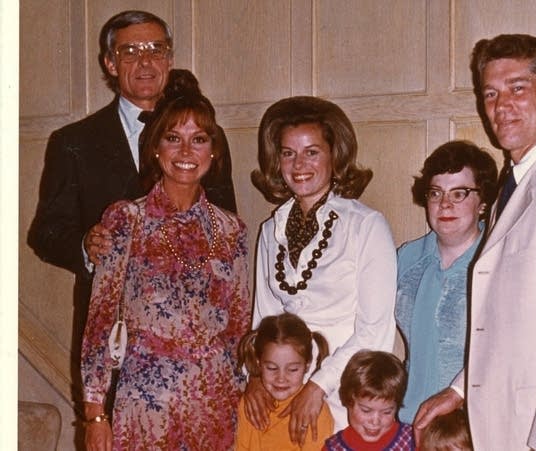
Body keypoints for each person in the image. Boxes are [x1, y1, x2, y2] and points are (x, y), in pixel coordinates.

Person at [27, 10, 237, 398]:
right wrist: (85, 245)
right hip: (114, 334)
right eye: (130, 51)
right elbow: (45, 231)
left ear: (169, 60)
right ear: (110, 63)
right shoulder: (73, 141)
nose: (145, 61)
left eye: (155, 49)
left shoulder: (209, 136)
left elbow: (225, 221)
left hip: (194, 336)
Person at [414, 34, 536, 450]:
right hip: (501, 421)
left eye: (517, 89)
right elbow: (505, 322)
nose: (501, 106)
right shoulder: (516, 184)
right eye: (490, 93)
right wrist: (459, 390)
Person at [80, 70, 250, 450]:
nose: (186, 152)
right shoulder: (126, 219)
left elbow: (238, 330)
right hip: (146, 403)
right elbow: (100, 323)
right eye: (174, 138)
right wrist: (95, 414)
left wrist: (243, 393)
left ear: (213, 151)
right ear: (156, 147)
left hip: (215, 402)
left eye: (199, 140)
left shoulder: (232, 230)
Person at [247, 96, 397, 444]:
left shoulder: (366, 226)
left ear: (335, 156)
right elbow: (263, 320)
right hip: (283, 392)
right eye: (288, 153)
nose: (299, 164)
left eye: (312, 152)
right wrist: (256, 378)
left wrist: (317, 385)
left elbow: (375, 332)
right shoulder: (271, 230)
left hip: (346, 396)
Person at [394, 141, 497, 424]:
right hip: (407, 415)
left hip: (470, 421)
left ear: (483, 202)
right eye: (436, 193)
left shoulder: (496, 261)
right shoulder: (406, 257)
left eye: (459, 193)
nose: (445, 204)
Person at [235, 313, 333, 450]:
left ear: (307, 365)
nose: (281, 378)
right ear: (259, 363)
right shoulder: (250, 402)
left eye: (292, 369)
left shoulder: (315, 411)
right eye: (271, 368)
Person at [322, 350, 414, 451]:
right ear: (348, 401)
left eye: (387, 412)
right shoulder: (333, 448)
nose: (375, 421)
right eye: (366, 410)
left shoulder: (413, 440)